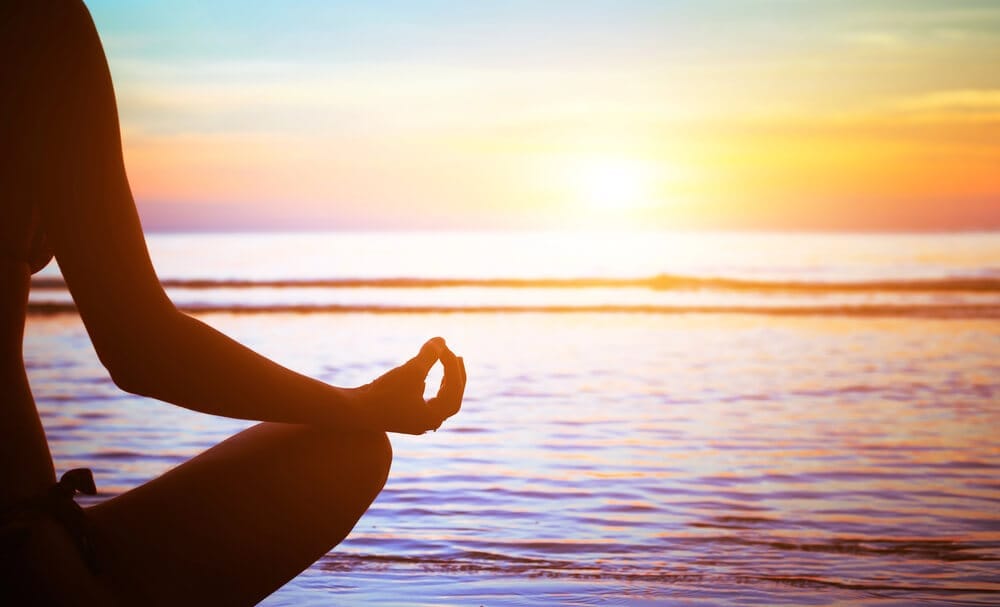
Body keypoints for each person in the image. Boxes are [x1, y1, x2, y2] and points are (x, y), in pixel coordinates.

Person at [0, 1, 467, 604]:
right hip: (19, 553)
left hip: (29, 538)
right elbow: (139, 346)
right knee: (350, 450)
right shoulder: (35, 24)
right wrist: (362, 405)